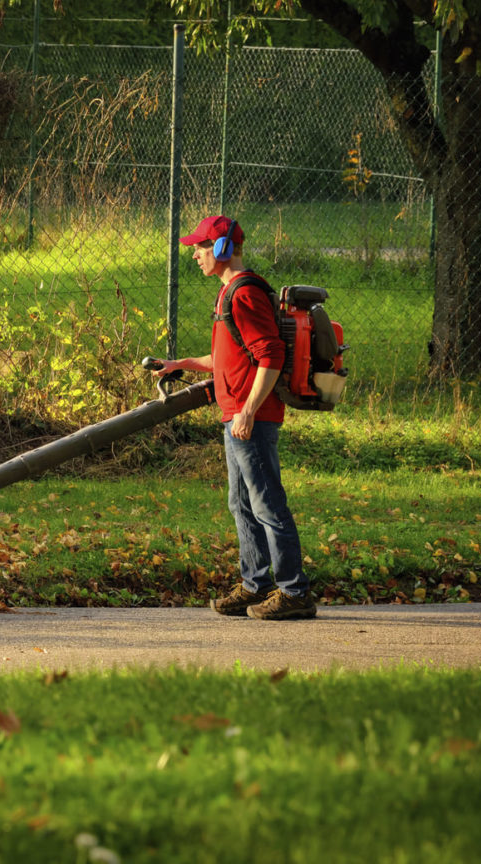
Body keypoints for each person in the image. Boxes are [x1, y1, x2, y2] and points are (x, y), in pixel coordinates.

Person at [152, 215, 316, 621]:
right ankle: (255, 584)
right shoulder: (229, 293)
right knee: (241, 504)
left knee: (267, 505)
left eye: (201, 248)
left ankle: (294, 591)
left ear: (223, 248)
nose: (195, 255)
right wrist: (180, 363)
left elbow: (270, 355)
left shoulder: (243, 294)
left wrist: (248, 410)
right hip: (238, 415)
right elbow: (227, 357)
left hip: (250, 418)